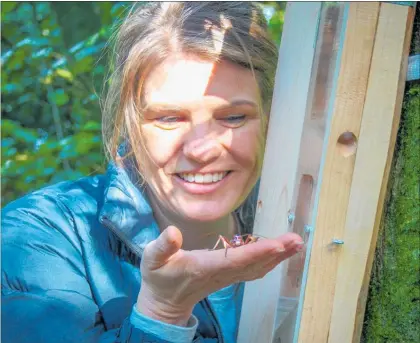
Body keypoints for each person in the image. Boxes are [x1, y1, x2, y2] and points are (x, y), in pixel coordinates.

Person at [1, 2, 304, 343]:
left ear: (272, 117)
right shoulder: (35, 240)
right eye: (169, 118)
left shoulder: (307, 220)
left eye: (233, 118)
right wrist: (162, 314)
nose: (203, 150)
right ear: (128, 124)